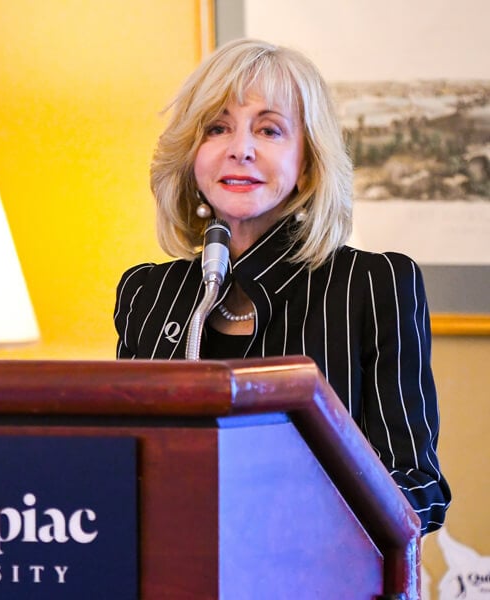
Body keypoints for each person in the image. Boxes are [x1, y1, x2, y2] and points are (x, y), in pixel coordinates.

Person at [114, 38, 450, 534]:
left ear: (308, 163)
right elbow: (123, 464)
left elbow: (418, 486)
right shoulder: (147, 293)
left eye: (269, 130)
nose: (240, 149)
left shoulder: (373, 285)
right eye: (217, 128)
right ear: (192, 155)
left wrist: (297, 528)